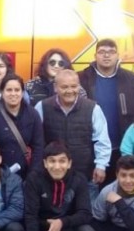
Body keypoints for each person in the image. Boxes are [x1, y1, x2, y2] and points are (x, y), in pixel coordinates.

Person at [78, 39, 134, 182]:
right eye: (102, 52)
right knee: (92, 195)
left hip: (123, 149)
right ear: (95, 55)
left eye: (111, 52)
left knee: (121, 193)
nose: (106, 55)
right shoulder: (81, 79)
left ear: (118, 56)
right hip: (89, 150)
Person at [35, 70, 111, 198]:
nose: (70, 91)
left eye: (74, 86)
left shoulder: (93, 108)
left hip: (85, 175)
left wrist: (101, 165)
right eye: (64, 87)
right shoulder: (42, 107)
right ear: (55, 87)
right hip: (51, 176)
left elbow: (102, 140)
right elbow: (36, 141)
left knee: (86, 215)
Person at [0, 75, 44, 178]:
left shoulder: (32, 114)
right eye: (9, 90)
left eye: (17, 90)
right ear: (1, 92)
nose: (13, 94)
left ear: (23, 92)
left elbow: (39, 147)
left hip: (26, 174)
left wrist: (33, 174)